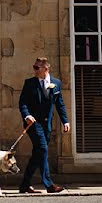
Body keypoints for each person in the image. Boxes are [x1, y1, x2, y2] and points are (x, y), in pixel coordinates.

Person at [18, 57, 70, 194]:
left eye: (37, 68)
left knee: (38, 153)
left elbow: (60, 104)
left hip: (47, 124)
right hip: (33, 124)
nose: (34, 70)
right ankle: (49, 184)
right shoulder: (29, 83)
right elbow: (22, 102)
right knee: (43, 149)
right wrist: (27, 115)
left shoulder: (56, 83)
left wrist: (66, 121)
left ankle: (24, 184)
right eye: (34, 67)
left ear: (46, 69)